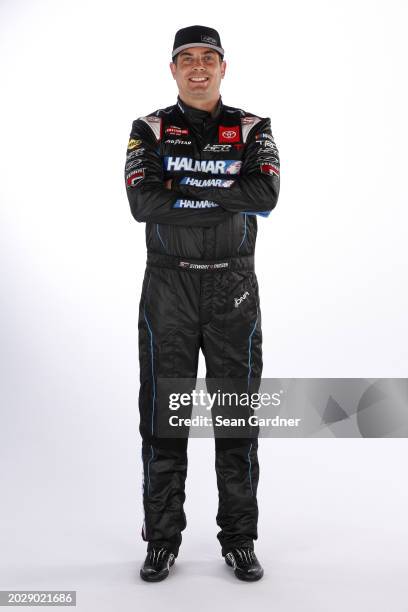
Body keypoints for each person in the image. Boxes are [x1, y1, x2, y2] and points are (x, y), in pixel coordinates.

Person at [124, 25, 280, 582]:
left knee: (236, 417)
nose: (197, 67)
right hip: (168, 288)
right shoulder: (149, 128)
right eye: (185, 58)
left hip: (233, 288)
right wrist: (221, 192)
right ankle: (162, 539)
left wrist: (181, 188)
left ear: (222, 66)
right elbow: (144, 203)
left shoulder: (253, 127)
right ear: (172, 68)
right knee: (165, 418)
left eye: (207, 58)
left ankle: (239, 538)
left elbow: (265, 196)